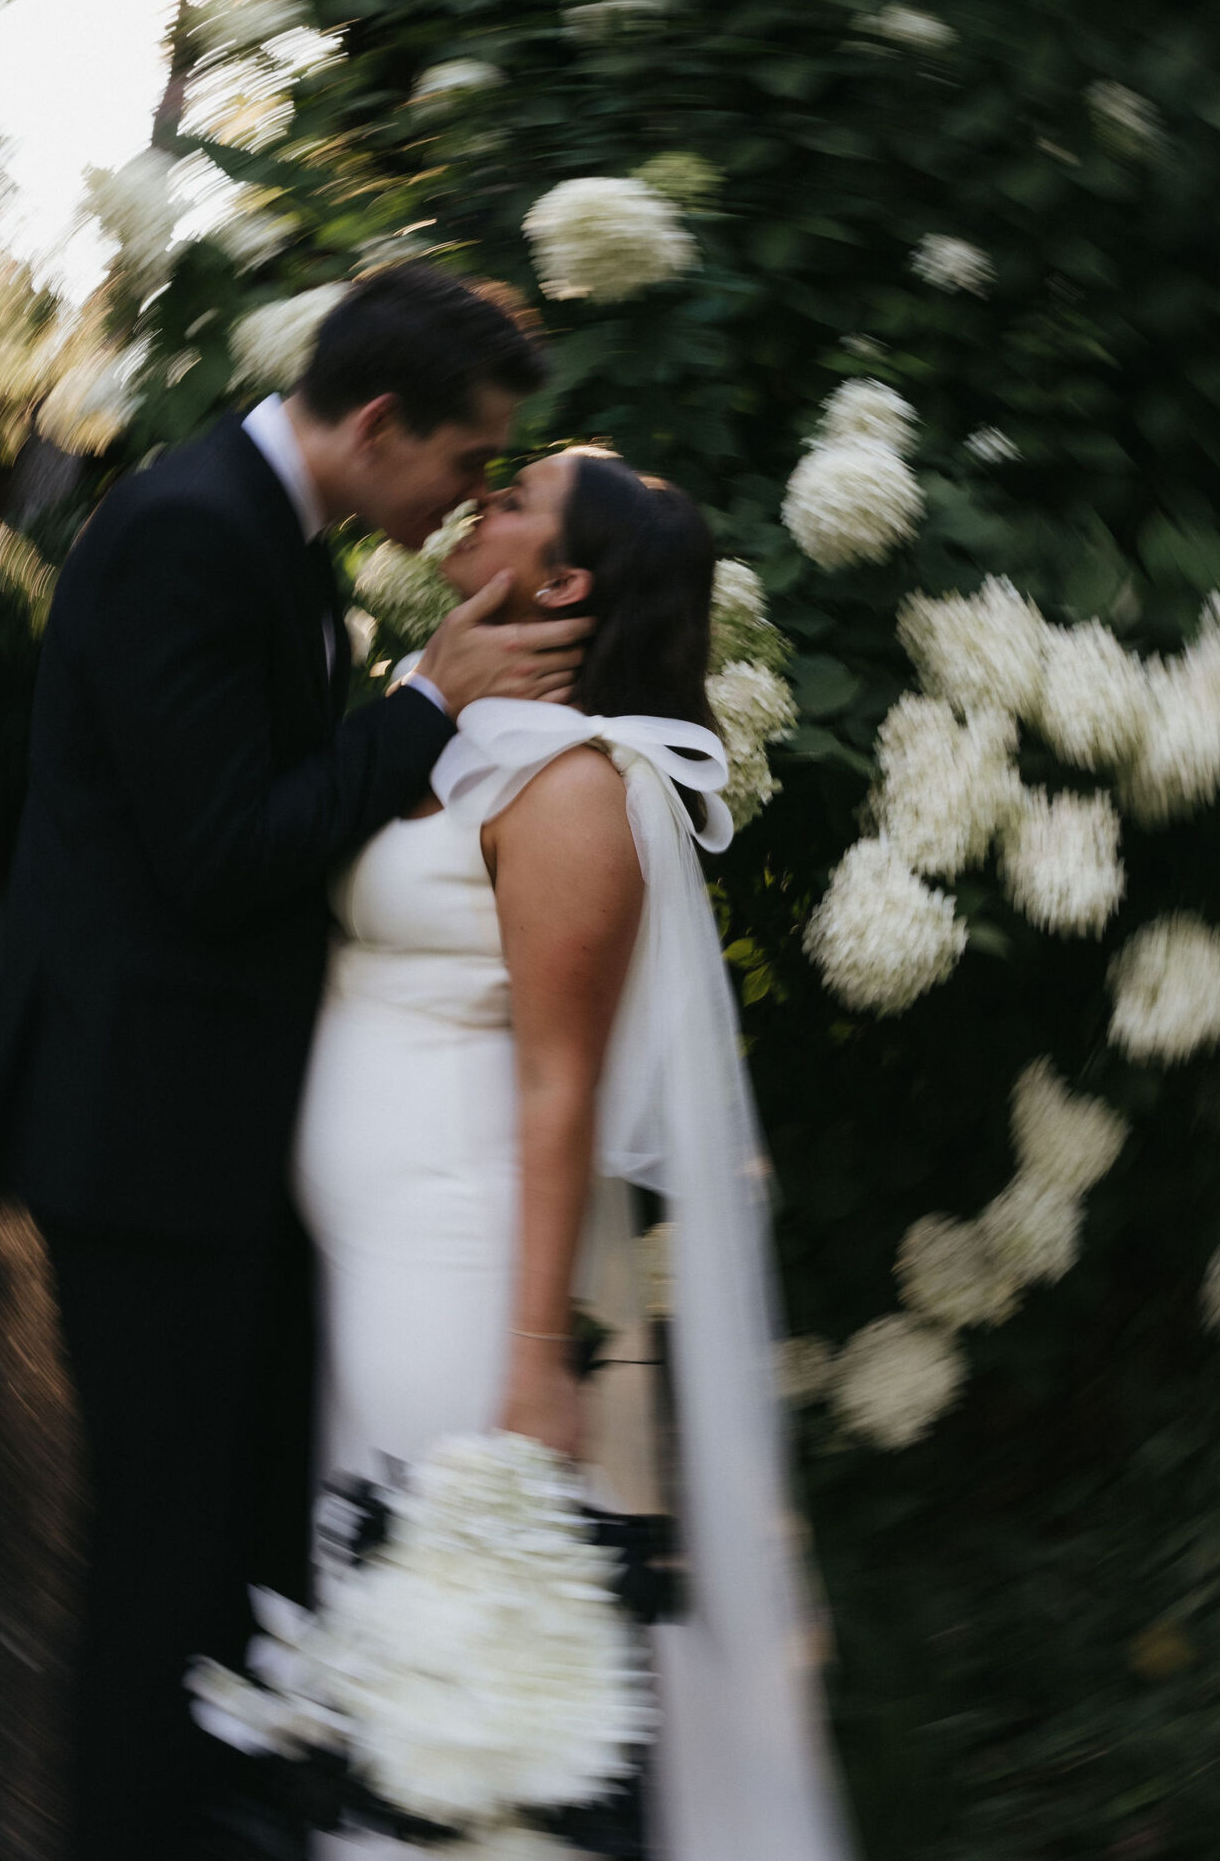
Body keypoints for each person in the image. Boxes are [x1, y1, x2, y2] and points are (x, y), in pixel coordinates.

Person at [0, 265, 589, 1861]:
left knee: (224, 1533)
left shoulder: (268, 532)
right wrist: (429, 700)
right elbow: (223, 851)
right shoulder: (189, 530)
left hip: (208, 1139)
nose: (470, 498)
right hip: (139, 1134)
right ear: (381, 423)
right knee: (159, 1555)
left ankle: (219, 1815)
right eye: (468, 461)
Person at [294, 448, 854, 1861]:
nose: (479, 500)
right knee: (404, 1638)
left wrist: (538, 1353)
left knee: (460, 1649)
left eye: (516, 498)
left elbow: (562, 1086)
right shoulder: (457, 734)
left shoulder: (574, 788)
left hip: (468, 1266)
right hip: (379, 1260)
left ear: (564, 579)